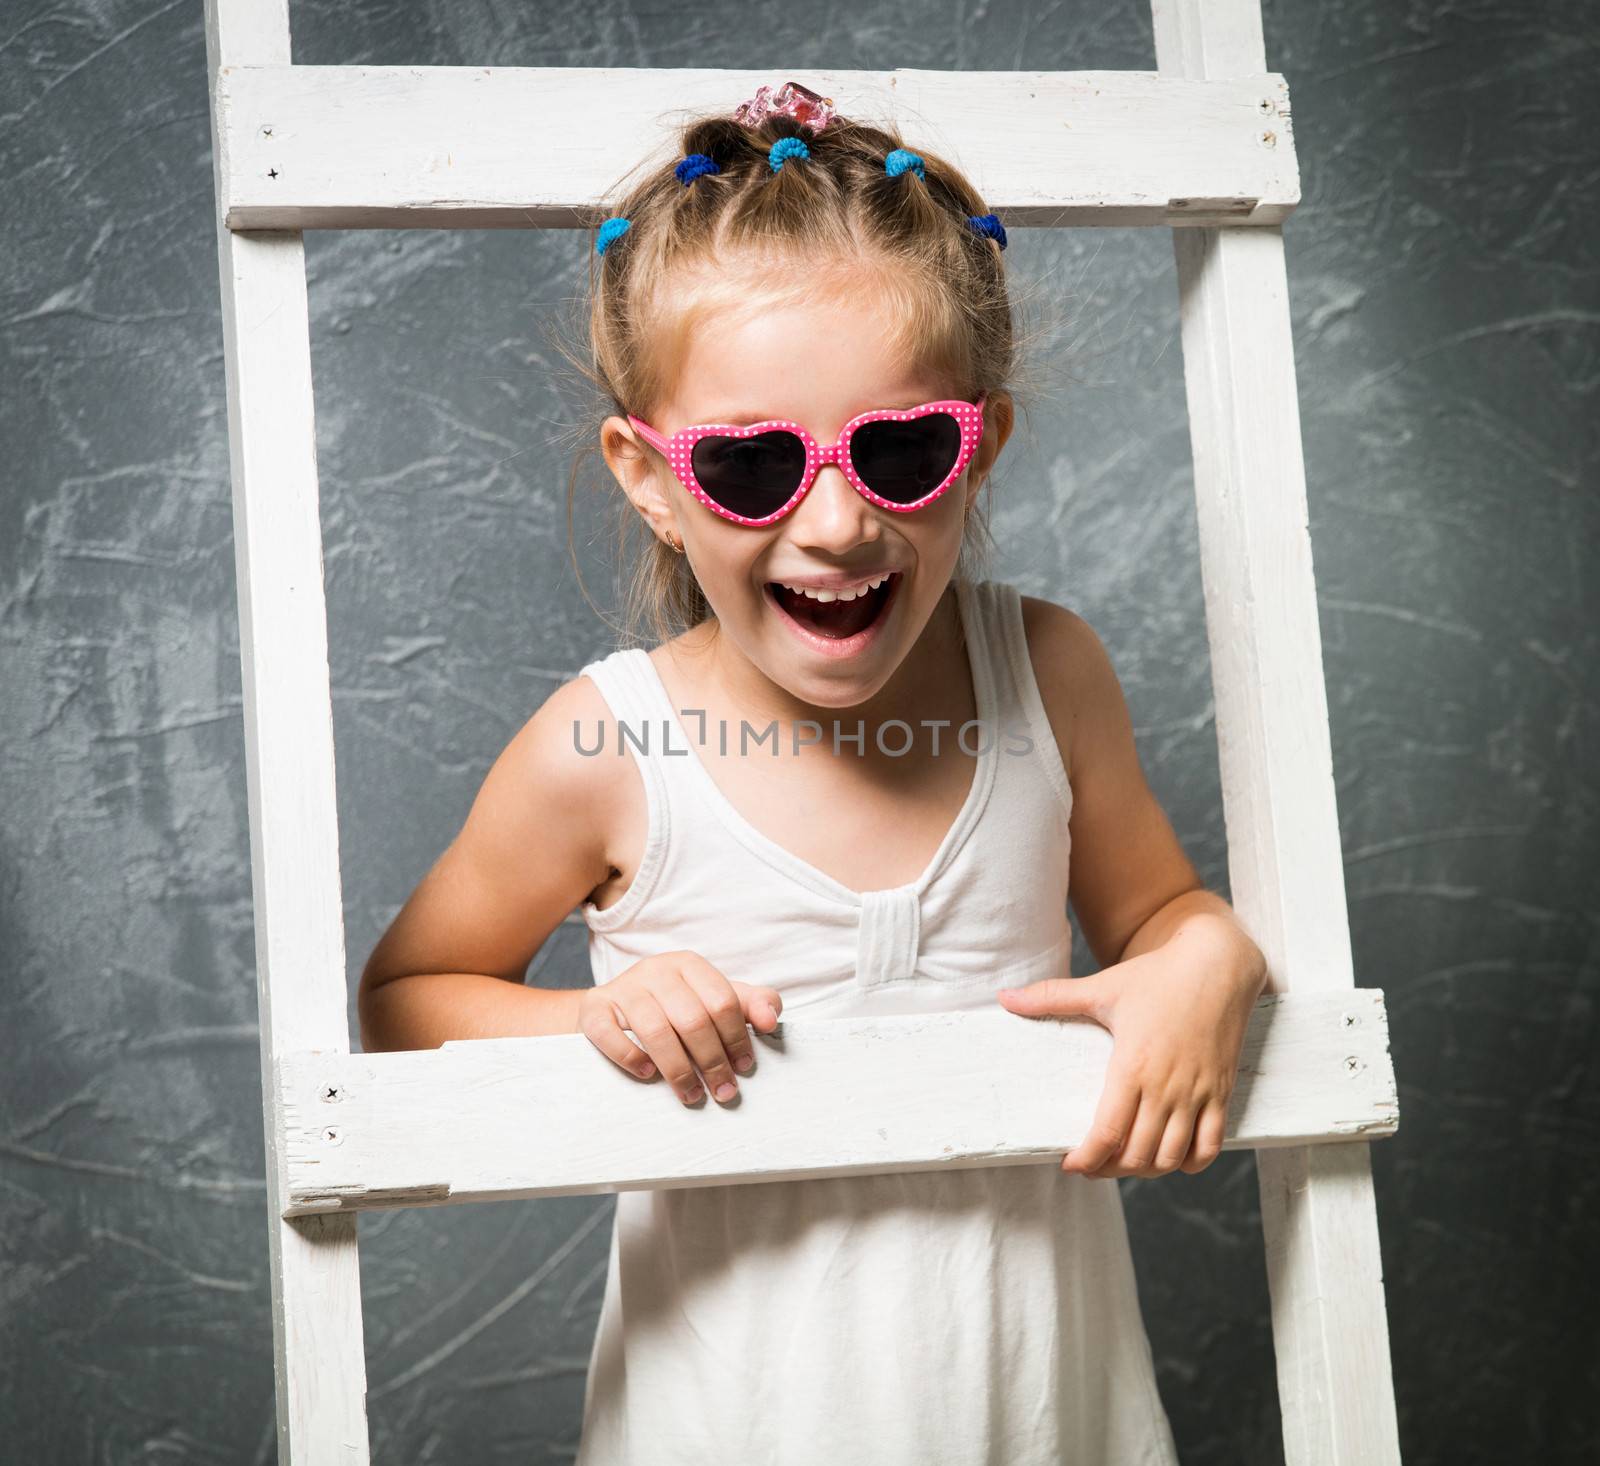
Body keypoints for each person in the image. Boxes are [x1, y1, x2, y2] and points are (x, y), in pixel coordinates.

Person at [358, 79, 1268, 1465]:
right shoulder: (609, 749)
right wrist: (595, 1022)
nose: (838, 521)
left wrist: (1210, 961)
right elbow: (402, 1000)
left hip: (1044, 1417)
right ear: (650, 476)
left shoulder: (1049, 677)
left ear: (982, 450)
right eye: (751, 465)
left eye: (902, 450)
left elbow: (1163, 919)